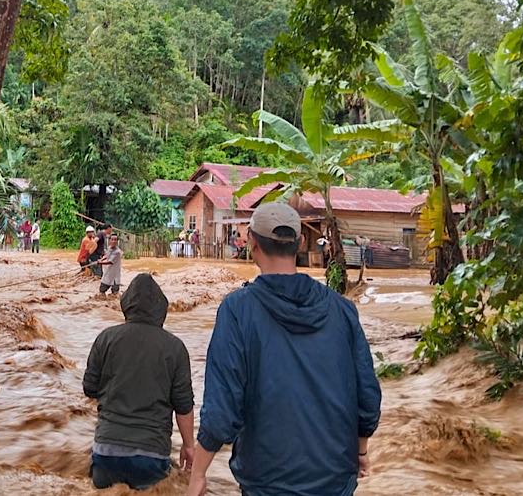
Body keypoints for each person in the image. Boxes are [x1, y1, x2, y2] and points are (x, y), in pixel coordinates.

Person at [187, 202, 382, 496]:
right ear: (301, 242)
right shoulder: (341, 310)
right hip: (335, 477)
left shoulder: (238, 310)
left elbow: (222, 410)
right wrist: (361, 449)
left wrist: (199, 472)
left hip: (266, 480)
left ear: (251, 242)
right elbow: (367, 393)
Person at [83, 273, 195, 491]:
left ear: (126, 305)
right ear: (161, 308)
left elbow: (89, 388)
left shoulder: (105, 339)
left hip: (106, 450)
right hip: (151, 454)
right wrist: (189, 446)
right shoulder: (175, 348)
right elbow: (183, 406)